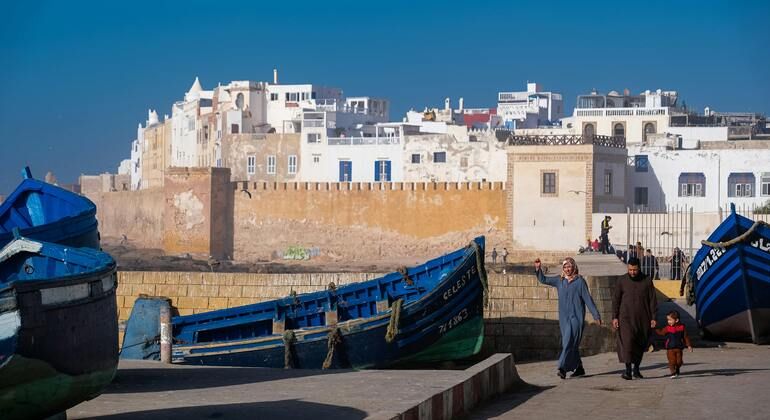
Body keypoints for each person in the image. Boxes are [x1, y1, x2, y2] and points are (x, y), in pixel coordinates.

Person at [535, 257, 602, 379]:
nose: (567, 269)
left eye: (569, 266)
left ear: (574, 267)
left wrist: (596, 315)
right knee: (572, 343)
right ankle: (579, 368)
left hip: (576, 318)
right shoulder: (559, 280)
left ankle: (562, 368)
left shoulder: (580, 281)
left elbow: (588, 299)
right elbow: (543, 279)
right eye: (565, 267)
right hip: (564, 318)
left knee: (567, 343)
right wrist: (538, 268)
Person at [612, 257, 657, 380]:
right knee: (627, 343)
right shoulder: (622, 280)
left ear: (639, 268)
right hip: (625, 317)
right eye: (630, 270)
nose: (632, 272)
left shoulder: (647, 281)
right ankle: (627, 371)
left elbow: (652, 300)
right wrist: (614, 317)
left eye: (635, 270)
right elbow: (616, 300)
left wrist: (654, 317)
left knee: (639, 343)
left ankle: (636, 370)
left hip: (643, 318)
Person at [653, 310, 693, 378]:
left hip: (679, 348)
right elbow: (661, 332)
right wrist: (655, 327)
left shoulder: (682, 327)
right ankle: (673, 372)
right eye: (668, 320)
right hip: (670, 348)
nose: (668, 321)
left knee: (679, 362)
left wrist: (689, 345)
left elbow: (685, 337)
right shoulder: (667, 328)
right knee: (672, 361)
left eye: (670, 320)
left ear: (676, 320)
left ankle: (677, 368)